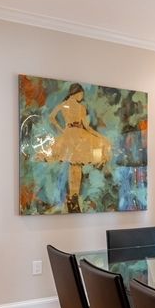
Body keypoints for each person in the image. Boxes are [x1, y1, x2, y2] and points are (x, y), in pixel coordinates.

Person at [38, 84, 112, 212]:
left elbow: (52, 118)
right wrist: (100, 137)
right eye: (81, 94)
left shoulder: (70, 105)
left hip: (73, 135)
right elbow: (85, 127)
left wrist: (63, 130)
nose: (82, 97)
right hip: (75, 136)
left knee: (75, 166)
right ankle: (73, 198)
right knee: (75, 166)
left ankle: (73, 198)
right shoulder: (76, 106)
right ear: (76, 92)